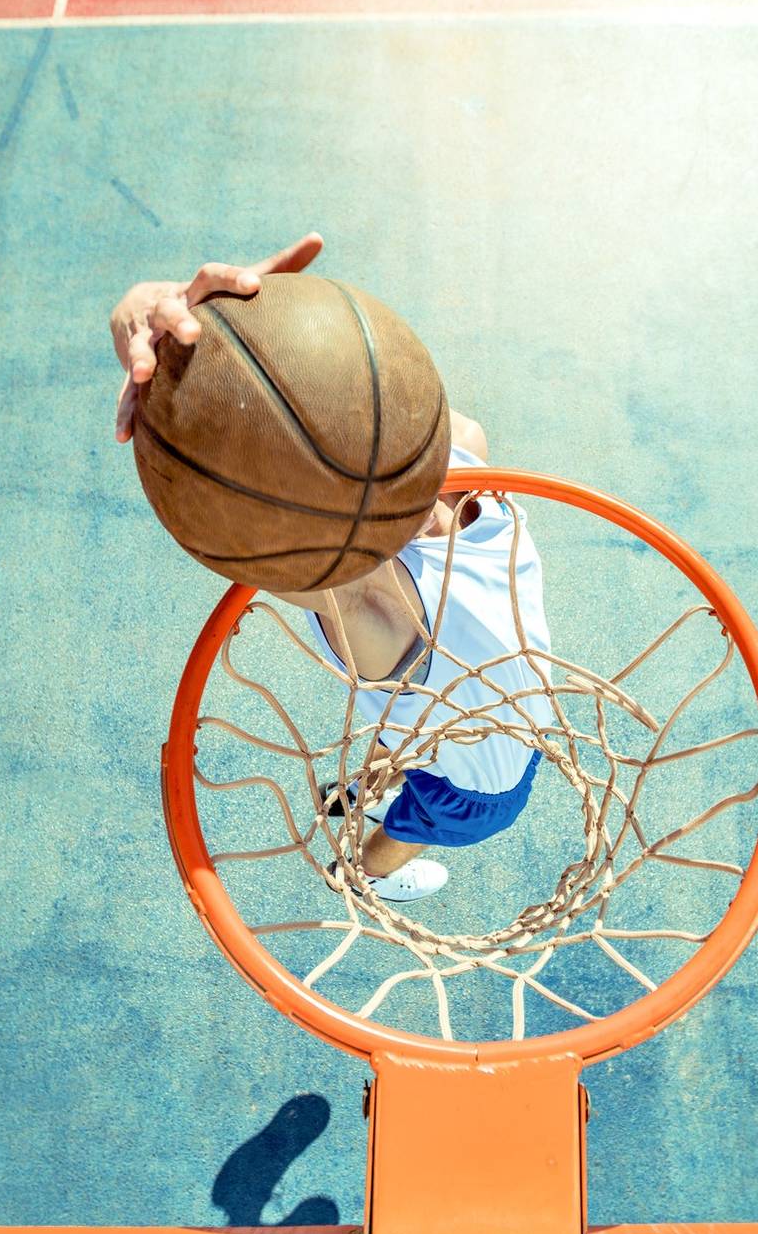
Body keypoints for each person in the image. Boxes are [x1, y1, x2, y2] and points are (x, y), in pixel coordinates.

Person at [108, 233, 550, 902]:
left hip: (468, 751)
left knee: (406, 751)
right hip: (484, 783)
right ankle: (364, 875)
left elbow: (241, 523)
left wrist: (156, 326)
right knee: (409, 819)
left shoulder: (367, 603)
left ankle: (364, 813)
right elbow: (371, 395)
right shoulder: (466, 453)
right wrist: (165, 324)